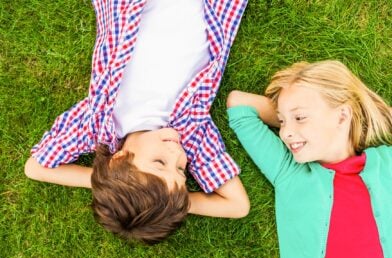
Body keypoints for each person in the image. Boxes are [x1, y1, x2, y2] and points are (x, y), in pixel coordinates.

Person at [24, 0, 250, 245]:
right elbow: (238, 206)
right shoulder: (192, 132)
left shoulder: (97, 122)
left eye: (160, 162)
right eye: (181, 171)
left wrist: (108, 181)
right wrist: (167, 202)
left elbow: (36, 168)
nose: (176, 154)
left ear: (119, 159)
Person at [226, 60, 392, 258]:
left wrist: (368, 121)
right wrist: (300, 122)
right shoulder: (289, 172)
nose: (285, 132)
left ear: (342, 115)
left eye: (300, 117)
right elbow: (238, 104)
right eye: (281, 121)